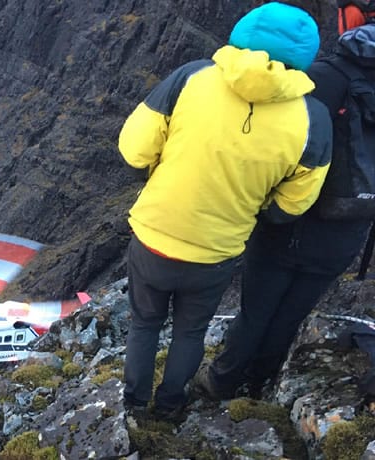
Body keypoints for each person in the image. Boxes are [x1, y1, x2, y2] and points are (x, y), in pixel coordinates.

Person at [118, 2, 332, 420]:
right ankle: (170, 406)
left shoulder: (192, 76)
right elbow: (294, 204)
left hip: (154, 235)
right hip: (217, 250)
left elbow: (133, 149)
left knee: (144, 323)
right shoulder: (314, 118)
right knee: (190, 330)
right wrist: (255, 206)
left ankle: (134, 405)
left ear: (245, 32)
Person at [196, 0, 375, 401]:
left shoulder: (323, 78)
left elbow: (278, 141)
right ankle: (261, 383)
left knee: (257, 309)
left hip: (295, 219)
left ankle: (221, 383)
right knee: (293, 311)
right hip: (354, 224)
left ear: (354, 20)